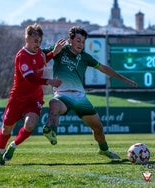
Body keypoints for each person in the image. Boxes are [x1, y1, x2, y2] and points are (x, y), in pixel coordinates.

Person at [42, 26, 138, 160]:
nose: (81, 44)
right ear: (70, 40)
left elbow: (103, 68)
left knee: (98, 127)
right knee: (54, 104)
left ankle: (104, 150)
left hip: (80, 97)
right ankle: (50, 130)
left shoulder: (85, 57)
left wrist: (123, 79)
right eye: (78, 40)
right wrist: (53, 52)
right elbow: (38, 56)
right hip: (63, 94)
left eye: (83, 42)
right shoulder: (60, 49)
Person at [0, 23, 65, 167]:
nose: (38, 44)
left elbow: (42, 60)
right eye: (35, 41)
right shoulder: (21, 56)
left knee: (30, 124)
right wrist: (49, 81)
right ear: (27, 38)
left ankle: (13, 146)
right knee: (6, 128)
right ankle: (1, 153)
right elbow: (30, 78)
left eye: (40, 41)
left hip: (34, 98)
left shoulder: (40, 53)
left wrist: (54, 52)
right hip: (17, 98)